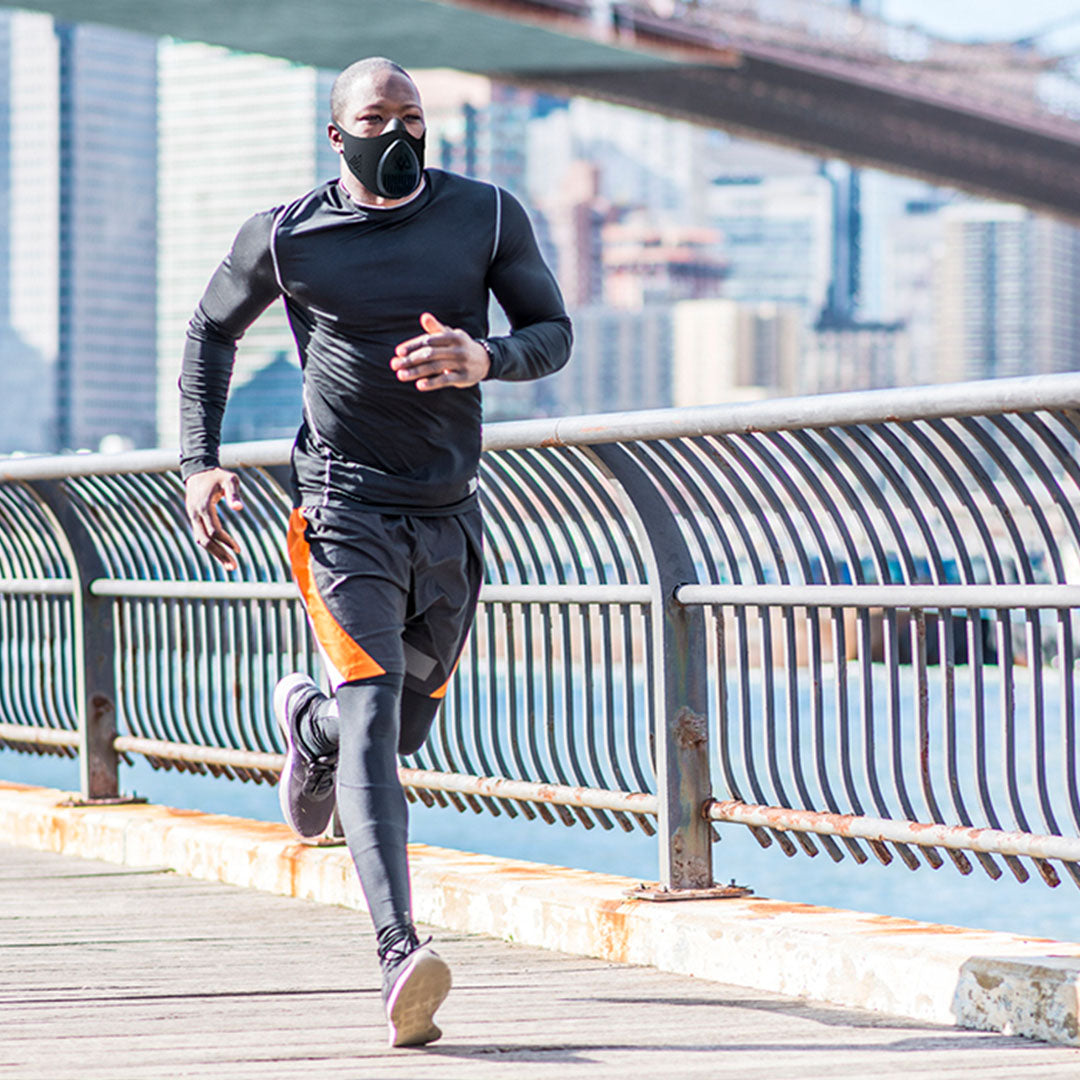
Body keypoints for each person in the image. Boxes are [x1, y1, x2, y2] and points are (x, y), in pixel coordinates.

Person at [179, 57, 571, 1048]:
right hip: (340, 511)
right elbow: (210, 332)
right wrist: (200, 463)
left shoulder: (484, 217)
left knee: (397, 738)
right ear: (336, 134)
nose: (394, 132)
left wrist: (490, 358)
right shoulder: (287, 234)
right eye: (373, 117)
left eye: (411, 116)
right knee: (374, 716)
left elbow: (553, 331)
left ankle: (304, 728)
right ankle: (400, 951)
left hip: (450, 512)